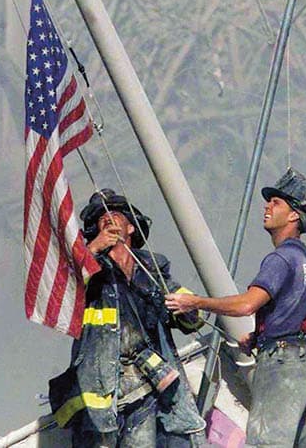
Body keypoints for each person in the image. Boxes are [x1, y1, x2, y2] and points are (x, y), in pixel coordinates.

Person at [165, 168, 306, 447]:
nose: (267, 206)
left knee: (268, 443)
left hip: (284, 366)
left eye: (276, 202)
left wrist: (195, 301)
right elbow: (298, 313)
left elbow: (247, 305)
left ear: (293, 215)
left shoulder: (282, 258)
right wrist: (259, 337)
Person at [50, 189, 208, 447]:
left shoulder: (153, 270)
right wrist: (92, 250)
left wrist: (189, 308)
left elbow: (192, 319)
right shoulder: (88, 270)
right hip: (104, 394)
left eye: (114, 215)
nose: (107, 220)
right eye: (101, 219)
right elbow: (63, 296)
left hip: (154, 388)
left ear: (131, 227)